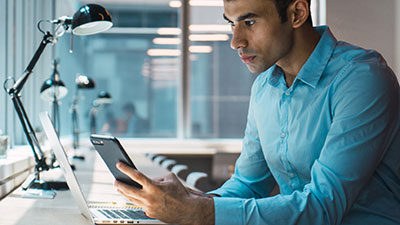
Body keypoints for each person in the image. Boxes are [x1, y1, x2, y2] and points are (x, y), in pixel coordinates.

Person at [113, 0, 400, 224]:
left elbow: (323, 207)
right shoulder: (264, 86)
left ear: (297, 13)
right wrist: (187, 201)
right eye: (232, 24)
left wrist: (198, 213)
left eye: (249, 21)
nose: (235, 41)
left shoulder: (361, 78)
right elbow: (248, 185)